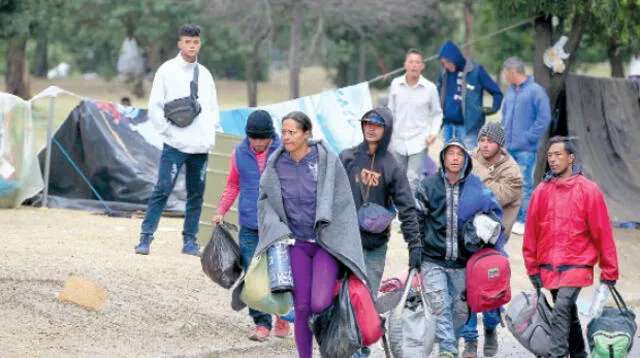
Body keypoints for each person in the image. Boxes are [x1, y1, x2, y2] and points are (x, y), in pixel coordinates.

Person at [256, 111, 368, 358]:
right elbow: (265, 201)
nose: (286, 137)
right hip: (296, 244)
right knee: (303, 307)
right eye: (283, 132)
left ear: (307, 133)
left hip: (324, 243)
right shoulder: (277, 164)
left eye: (292, 132)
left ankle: (335, 291)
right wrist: (277, 229)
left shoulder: (325, 160)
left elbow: (342, 201)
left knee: (319, 303)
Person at [523, 136, 619, 358]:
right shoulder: (541, 191)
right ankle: (579, 354)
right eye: (549, 156)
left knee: (561, 310)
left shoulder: (588, 191)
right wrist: (532, 269)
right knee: (567, 312)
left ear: (571, 157)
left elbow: (602, 234)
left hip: (577, 265)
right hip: (549, 267)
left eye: (558, 155)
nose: (553, 160)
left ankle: (556, 355)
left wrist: (609, 272)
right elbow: (531, 235)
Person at [339, 107, 422, 357]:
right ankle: (341, 346)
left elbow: (407, 207)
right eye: (367, 122)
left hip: (374, 246)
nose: (371, 127)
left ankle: (361, 350)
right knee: (340, 298)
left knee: (364, 300)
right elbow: (329, 197)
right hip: (344, 244)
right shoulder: (348, 157)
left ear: (386, 129)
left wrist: (415, 246)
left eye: (377, 124)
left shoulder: (392, 165)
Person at [415, 138, 505, 358]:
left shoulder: (475, 186)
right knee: (441, 308)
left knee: (459, 312)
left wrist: (484, 228)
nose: (455, 158)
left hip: (464, 264)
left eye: (459, 154)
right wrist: (415, 251)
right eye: (450, 153)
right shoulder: (428, 186)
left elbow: (494, 215)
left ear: (465, 159)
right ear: (443, 157)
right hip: (432, 260)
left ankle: (448, 347)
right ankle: (448, 350)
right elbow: (415, 220)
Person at [134, 24, 219, 256]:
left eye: (196, 42)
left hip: (200, 146)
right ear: (179, 43)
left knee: (196, 194)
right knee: (162, 189)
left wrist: (209, 134)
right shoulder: (166, 70)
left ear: (200, 44)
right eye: (188, 42)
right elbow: (155, 107)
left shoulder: (205, 74)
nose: (192, 46)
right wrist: (168, 133)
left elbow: (212, 108)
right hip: (174, 144)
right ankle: (145, 238)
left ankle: (189, 241)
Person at [210, 110, 289, 341]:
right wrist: (220, 211)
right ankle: (261, 323)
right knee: (252, 275)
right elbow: (233, 185)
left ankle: (281, 315)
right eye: (253, 138)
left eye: (262, 138)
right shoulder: (239, 153)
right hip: (249, 224)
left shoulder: (284, 152)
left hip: (277, 225)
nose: (257, 143)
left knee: (279, 273)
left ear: (270, 136)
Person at [461, 122, 523, 357]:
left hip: (494, 240)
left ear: (500, 144)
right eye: (482, 140)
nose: (484, 145)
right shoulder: (468, 157)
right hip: (466, 235)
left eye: (490, 141)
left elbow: (493, 196)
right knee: (466, 288)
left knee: (491, 288)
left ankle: (490, 328)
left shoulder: (512, 171)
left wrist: (472, 171)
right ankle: (469, 339)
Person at [501, 56, 552, 235]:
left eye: (506, 73)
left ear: (513, 72)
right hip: (508, 147)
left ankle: (523, 221)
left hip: (526, 149)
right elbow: (505, 114)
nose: (505, 77)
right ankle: (509, 218)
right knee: (507, 182)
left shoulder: (535, 91)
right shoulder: (510, 91)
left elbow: (544, 118)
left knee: (524, 184)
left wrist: (530, 137)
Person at [387, 48, 443, 190]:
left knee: (413, 178)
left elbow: (437, 113)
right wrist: (387, 137)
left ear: (422, 66)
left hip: (419, 141)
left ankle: (411, 211)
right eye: (411, 62)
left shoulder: (430, 88)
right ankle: (397, 210)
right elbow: (390, 112)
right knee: (397, 178)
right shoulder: (395, 84)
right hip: (398, 140)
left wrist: (433, 133)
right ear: (405, 64)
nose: (414, 65)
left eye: (417, 62)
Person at [438, 40, 503, 149]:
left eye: (448, 62)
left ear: (455, 58)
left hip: (469, 127)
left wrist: (494, 108)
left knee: (470, 162)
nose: (446, 66)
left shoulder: (476, 70)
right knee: (448, 163)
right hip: (448, 126)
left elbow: (497, 92)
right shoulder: (444, 74)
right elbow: (438, 94)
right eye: (443, 63)